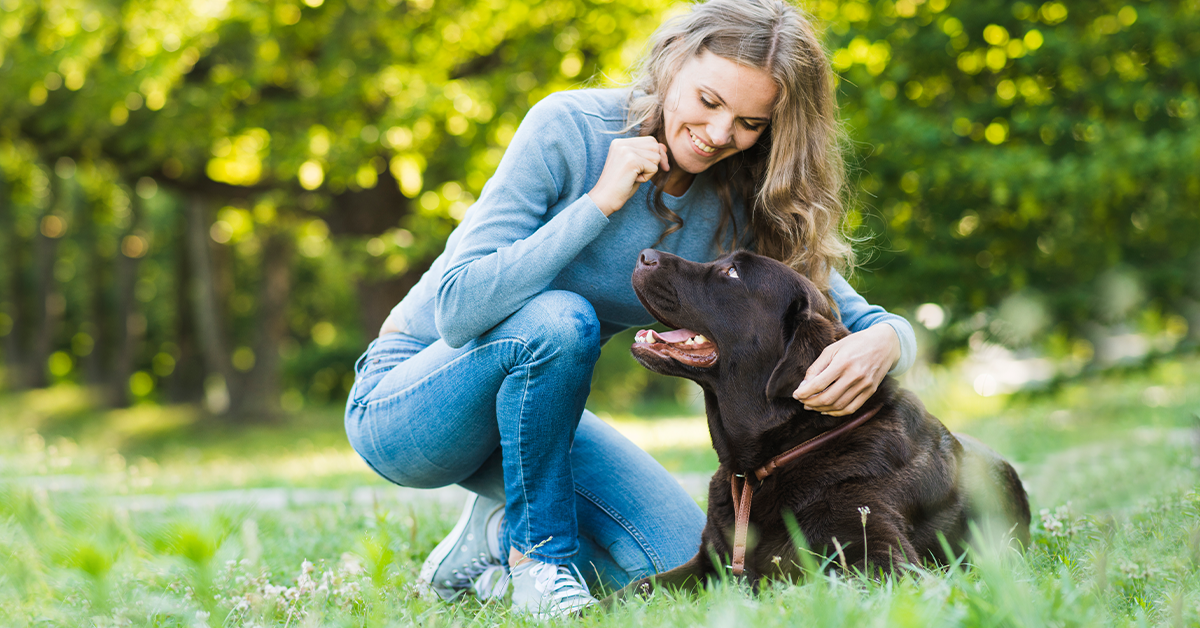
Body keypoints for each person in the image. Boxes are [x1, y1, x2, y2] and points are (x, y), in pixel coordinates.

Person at [344, 0, 916, 617]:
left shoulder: (748, 192)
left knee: (678, 556)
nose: (721, 134)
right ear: (672, 63)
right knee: (561, 320)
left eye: (750, 121)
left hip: (538, 416)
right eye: (709, 101)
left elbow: (855, 316)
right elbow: (457, 312)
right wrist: (597, 205)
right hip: (411, 403)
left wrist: (890, 342)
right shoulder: (569, 127)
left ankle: (489, 539)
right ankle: (539, 561)